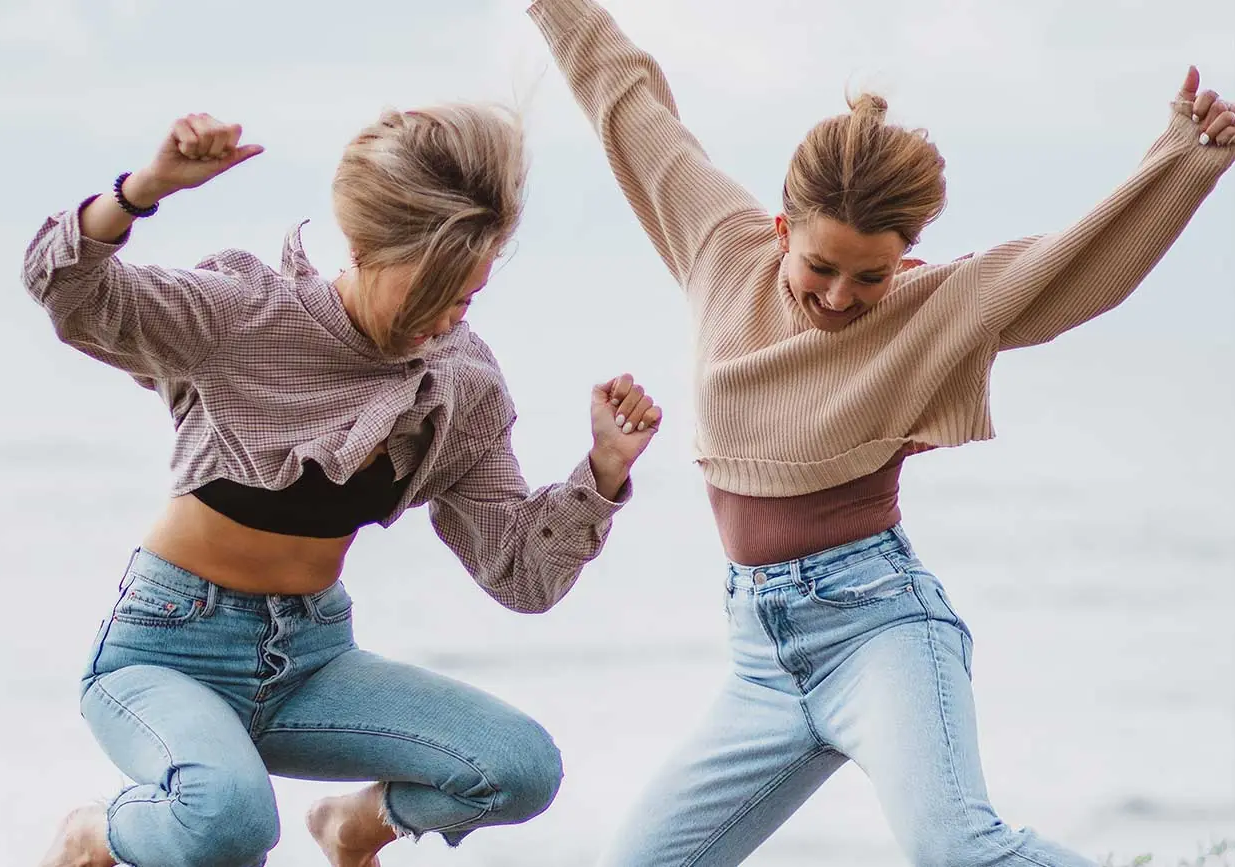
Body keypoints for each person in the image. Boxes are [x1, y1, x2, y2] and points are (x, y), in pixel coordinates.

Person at [527, 0, 1234, 864]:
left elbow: (1078, 266)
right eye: (819, 266)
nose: (837, 296)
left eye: (869, 276)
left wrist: (1185, 163)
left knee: (959, 850)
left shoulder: (935, 304)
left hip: (878, 630)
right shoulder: (719, 244)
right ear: (782, 229)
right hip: (761, 660)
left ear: (906, 255)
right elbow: (631, 106)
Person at [26, 104, 663, 867]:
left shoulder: (462, 383)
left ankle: (353, 826)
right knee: (229, 824)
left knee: (519, 768)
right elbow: (68, 288)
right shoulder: (246, 316)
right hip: (166, 653)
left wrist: (601, 472)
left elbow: (520, 574)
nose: (441, 320)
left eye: (463, 297)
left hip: (311, 661)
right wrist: (143, 188)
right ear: (360, 246)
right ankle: (92, 833)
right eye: (425, 292)